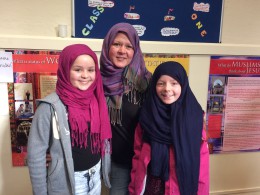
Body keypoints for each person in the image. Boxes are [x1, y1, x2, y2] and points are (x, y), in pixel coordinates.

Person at [27, 44, 112, 195]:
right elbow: (35, 156)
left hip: (95, 176)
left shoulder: (97, 99)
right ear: (66, 70)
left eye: (91, 70)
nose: (85, 75)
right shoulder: (49, 107)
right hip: (67, 182)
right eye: (78, 70)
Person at [129, 61, 209, 195]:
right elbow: (137, 157)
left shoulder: (195, 119)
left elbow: (202, 164)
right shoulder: (146, 117)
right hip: (151, 189)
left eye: (174, 83)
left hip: (181, 189)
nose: (167, 88)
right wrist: (133, 190)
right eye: (161, 83)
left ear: (183, 85)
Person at [100, 22, 152, 194]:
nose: (122, 50)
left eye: (128, 46)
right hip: (117, 164)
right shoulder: (95, 82)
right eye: (116, 44)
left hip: (146, 162)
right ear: (107, 46)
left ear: (135, 50)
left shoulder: (147, 82)